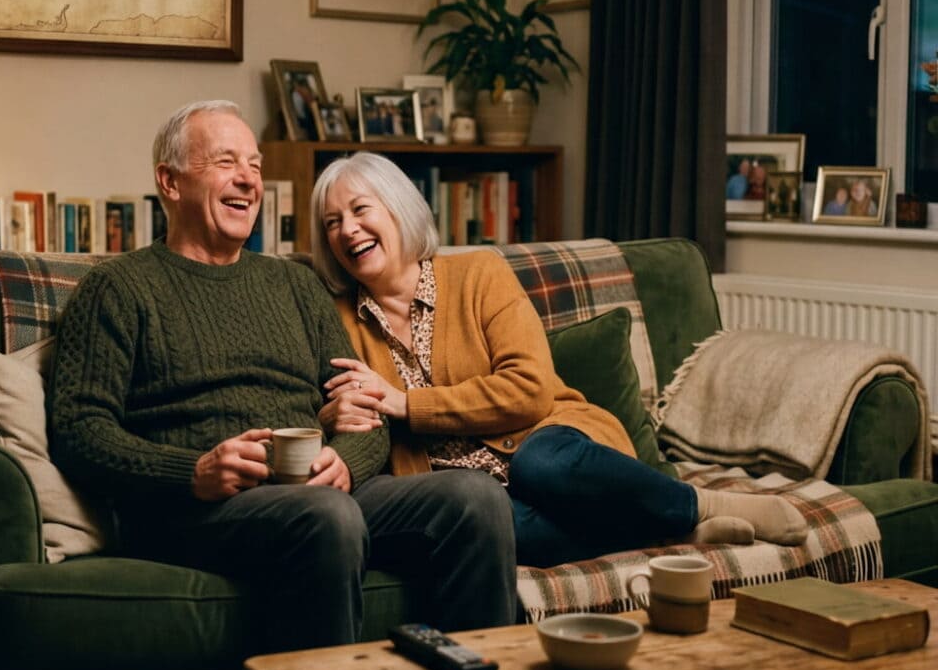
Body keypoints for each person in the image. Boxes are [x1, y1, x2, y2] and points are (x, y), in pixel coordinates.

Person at [50, 102, 516, 670]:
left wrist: (351, 459)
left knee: (472, 502)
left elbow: (353, 409)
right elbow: (80, 431)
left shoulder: (292, 283)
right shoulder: (118, 289)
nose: (249, 179)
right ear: (170, 182)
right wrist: (188, 471)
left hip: (315, 485)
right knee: (325, 525)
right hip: (202, 507)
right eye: (225, 162)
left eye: (257, 166)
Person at [311, 152, 810, 568]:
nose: (347, 230)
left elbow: (529, 389)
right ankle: (675, 534)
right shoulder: (335, 316)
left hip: (548, 442)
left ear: (398, 209)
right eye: (332, 223)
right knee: (490, 523)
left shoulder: (478, 274)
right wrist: (332, 415)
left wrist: (407, 404)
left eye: (360, 210)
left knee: (537, 464)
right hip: (471, 491)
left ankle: (700, 502)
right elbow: (342, 406)